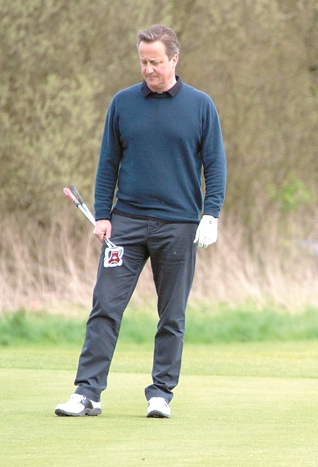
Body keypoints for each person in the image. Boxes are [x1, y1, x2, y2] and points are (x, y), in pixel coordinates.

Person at [55, 25, 226, 418]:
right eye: (143, 61)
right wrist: (102, 215)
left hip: (179, 226)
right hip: (126, 224)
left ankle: (161, 393)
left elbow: (215, 166)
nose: (148, 68)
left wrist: (211, 213)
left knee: (172, 314)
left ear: (174, 60)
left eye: (156, 61)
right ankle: (87, 393)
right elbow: (107, 164)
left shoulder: (201, 106)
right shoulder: (123, 103)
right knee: (105, 307)